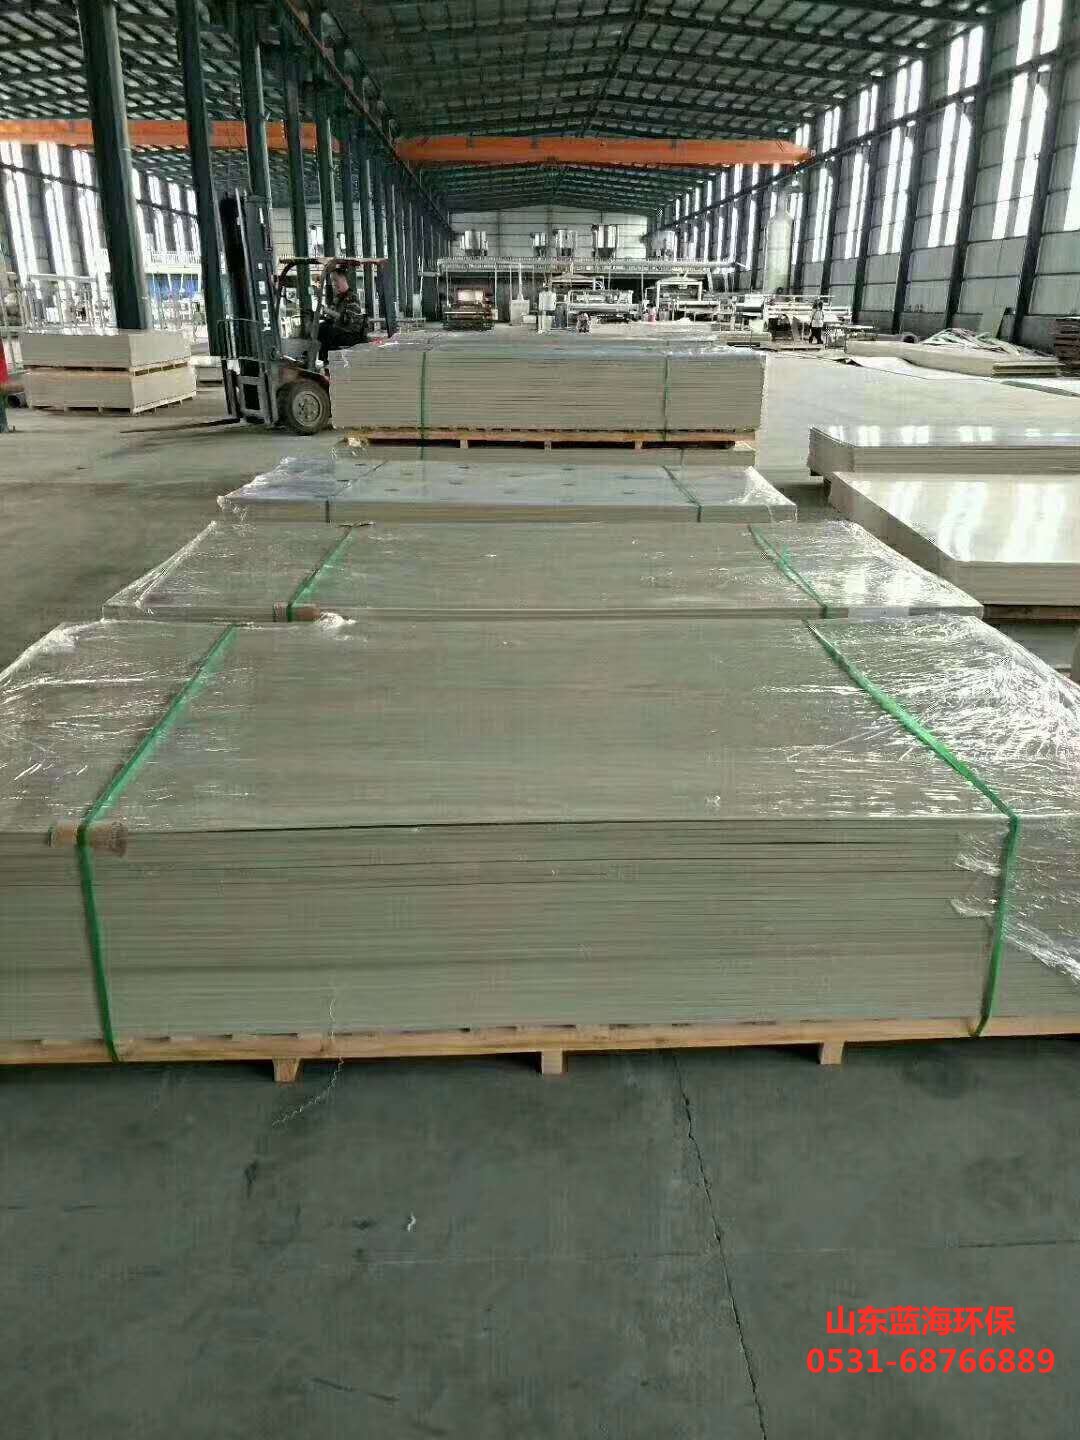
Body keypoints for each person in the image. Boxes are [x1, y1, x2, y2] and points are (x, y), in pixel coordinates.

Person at [318, 267, 369, 363]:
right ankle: (322, 359)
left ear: (343, 279)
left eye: (335, 280)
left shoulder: (352, 298)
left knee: (327, 331)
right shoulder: (337, 298)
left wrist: (329, 311)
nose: (334, 284)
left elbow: (347, 319)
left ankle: (327, 361)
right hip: (340, 330)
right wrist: (320, 314)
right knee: (322, 327)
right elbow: (331, 317)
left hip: (351, 334)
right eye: (332, 281)